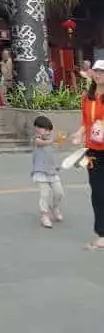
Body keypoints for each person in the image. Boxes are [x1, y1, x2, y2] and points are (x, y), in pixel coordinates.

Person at [71, 58, 104, 250]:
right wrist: (78, 134)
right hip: (93, 152)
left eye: (102, 72)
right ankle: (102, 233)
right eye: (96, 71)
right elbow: (85, 122)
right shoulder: (87, 97)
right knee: (98, 192)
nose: (99, 75)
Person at [32, 115, 64, 229]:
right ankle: (44, 215)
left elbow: (52, 155)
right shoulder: (36, 139)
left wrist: (57, 166)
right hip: (41, 172)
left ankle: (54, 208)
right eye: (44, 129)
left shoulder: (51, 141)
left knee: (59, 193)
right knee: (44, 194)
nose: (46, 132)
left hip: (52, 172)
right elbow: (41, 143)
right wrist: (53, 141)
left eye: (48, 130)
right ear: (36, 128)